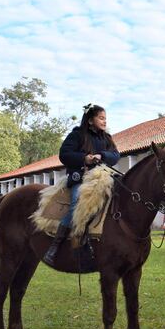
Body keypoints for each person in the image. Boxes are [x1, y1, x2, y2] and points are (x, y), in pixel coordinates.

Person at [42, 104, 120, 265]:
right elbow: (64, 154)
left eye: (105, 118)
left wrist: (102, 155)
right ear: (91, 120)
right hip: (81, 179)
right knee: (77, 201)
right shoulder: (77, 135)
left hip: (103, 179)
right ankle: (55, 247)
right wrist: (85, 158)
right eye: (101, 118)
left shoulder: (107, 138)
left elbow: (115, 155)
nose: (104, 121)